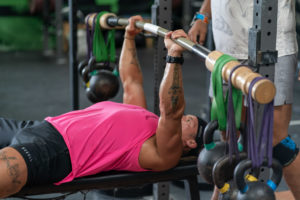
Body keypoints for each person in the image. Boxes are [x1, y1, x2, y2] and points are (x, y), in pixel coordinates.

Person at [0, 16, 205, 198]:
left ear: (190, 143)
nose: (185, 116)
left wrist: (174, 55)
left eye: (190, 121)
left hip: (55, 152)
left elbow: (171, 110)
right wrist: (129, 37)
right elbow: (131, 81)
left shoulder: (163, 154)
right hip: (43, 127)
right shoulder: (144, 119)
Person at [188, 0, 299, 199]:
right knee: (230, 137)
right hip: (226, 47)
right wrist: (203, 16)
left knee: (275, 139)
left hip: (275, 43)